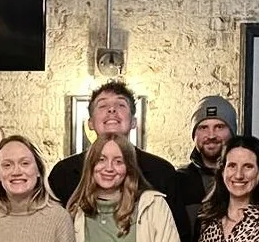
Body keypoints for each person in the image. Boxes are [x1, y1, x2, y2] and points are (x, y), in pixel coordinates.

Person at [47, 81, 181, 216]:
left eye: (121, 105)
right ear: (90, 123)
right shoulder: (63, 173)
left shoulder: (162, 172)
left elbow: (178, 231)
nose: (112, 110)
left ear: (133, 122)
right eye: (103, 105)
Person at [175, 95, 259, 233]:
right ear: (194, 134)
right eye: (203, 128)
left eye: (219, 127)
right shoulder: (180, 179)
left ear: (232, 131)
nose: (211, 135)